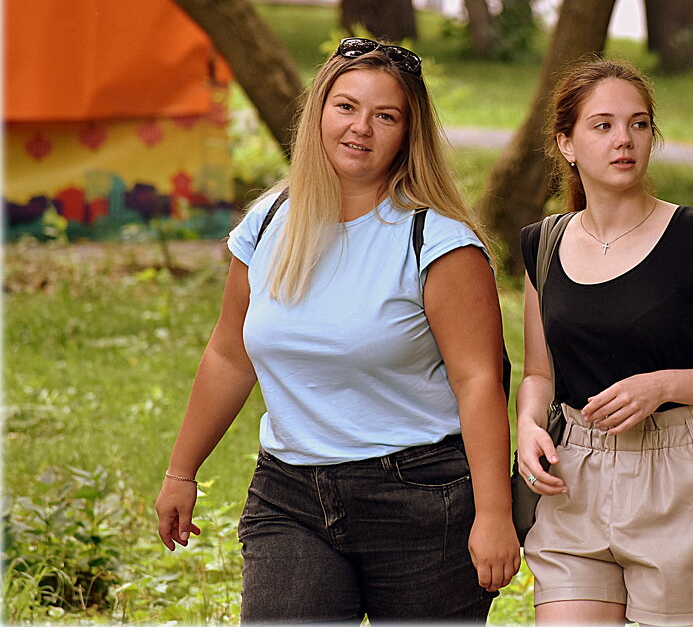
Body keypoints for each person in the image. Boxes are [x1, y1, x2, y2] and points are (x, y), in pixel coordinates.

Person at [155, 37, 520, 623]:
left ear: (408, 132)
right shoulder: (270, 222)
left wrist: (494, 514)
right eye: (346, 107)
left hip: (421, 498)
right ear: (319, 112)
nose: (361, 128)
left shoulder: (438, 242)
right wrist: (182, 472)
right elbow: (229, 354)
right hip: (291, 495)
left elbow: (479, 381)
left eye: (385, 115)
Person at [515, 58, 693, 626]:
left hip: (683, 479)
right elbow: (541, 372)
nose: (624, 140)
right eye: (603, 125)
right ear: (566, 143)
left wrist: (663, 385)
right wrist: (528, 423)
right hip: (575, 481)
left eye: (639, 124)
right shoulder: (542, 245)